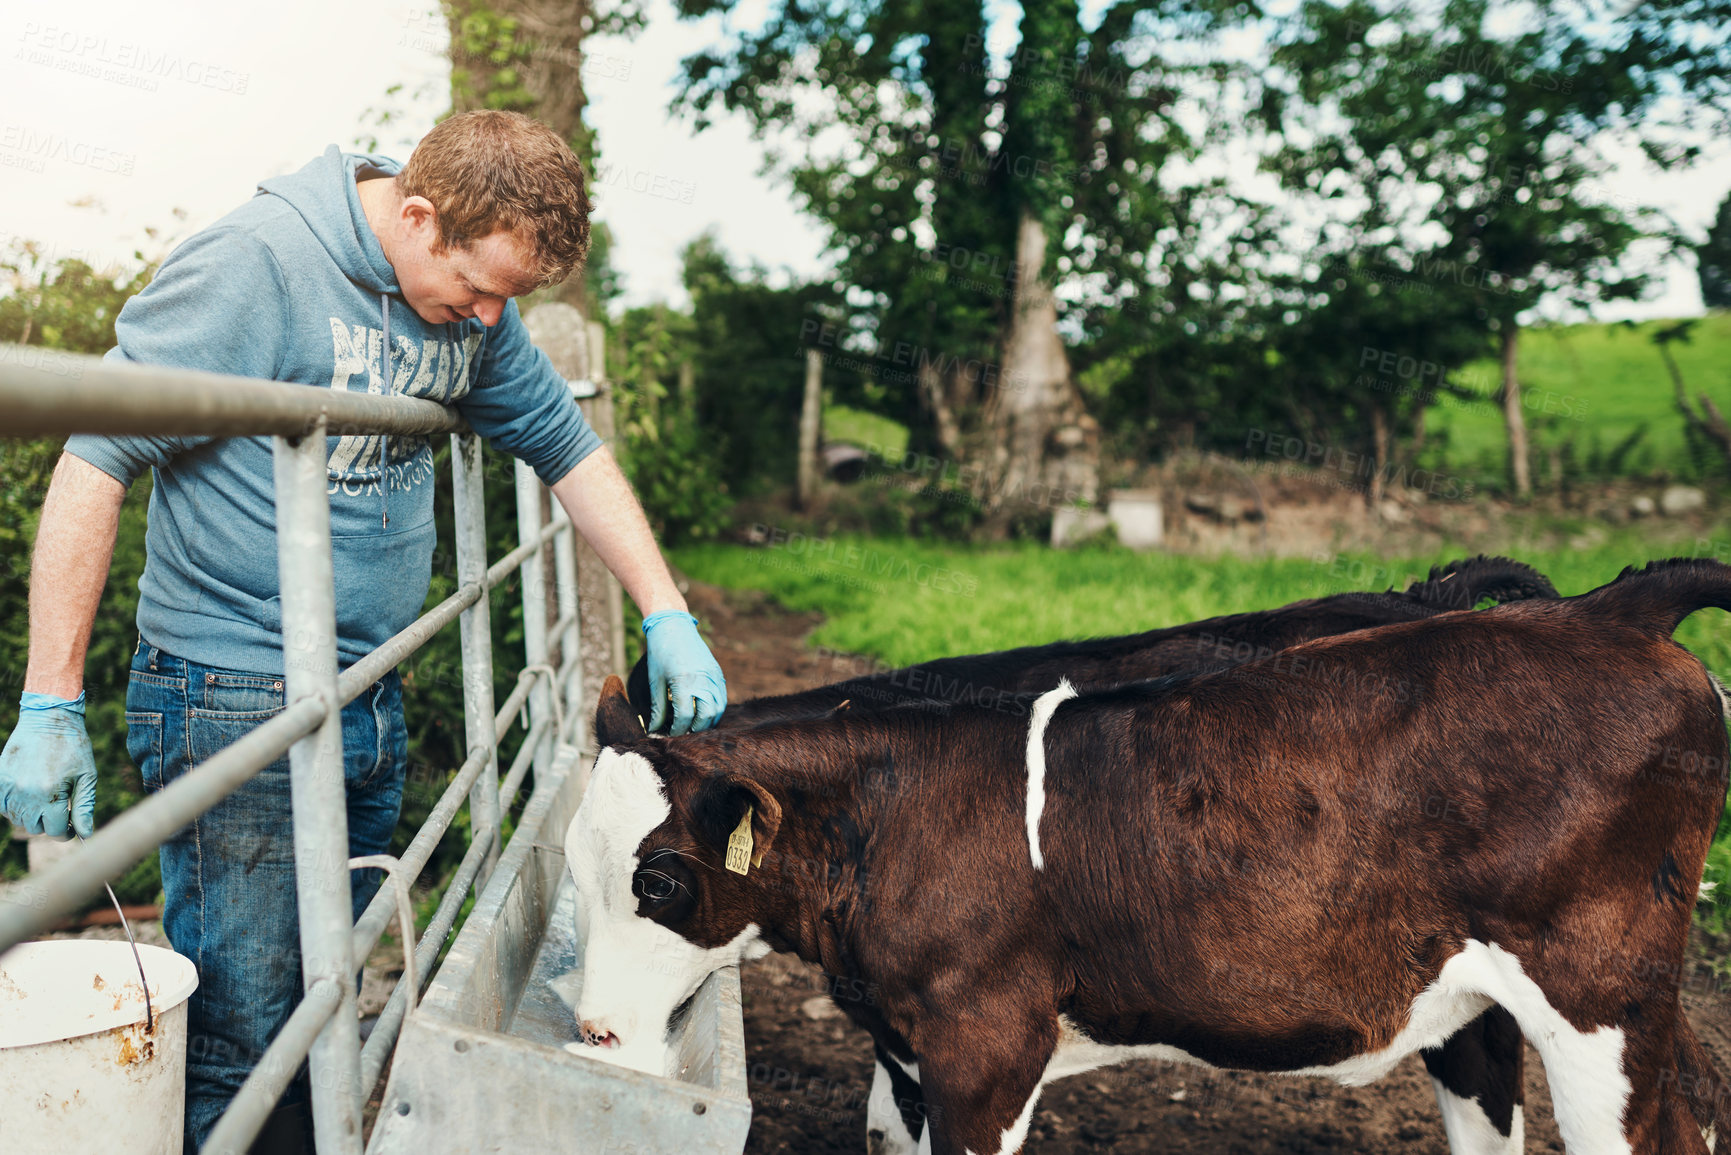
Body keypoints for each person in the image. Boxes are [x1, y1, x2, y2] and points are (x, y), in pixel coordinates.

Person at [0, 110, 726, 1152]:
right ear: (419, 216)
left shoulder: (471, 310)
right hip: (232, 694)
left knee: (323, 988)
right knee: (244, 1027)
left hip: (366, 688)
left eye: (506, 302)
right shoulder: (259, 265)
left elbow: (569, 448)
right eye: (478, 289)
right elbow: (93, 456)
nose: (485, 323)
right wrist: (49, 698)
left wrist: (667, 610)